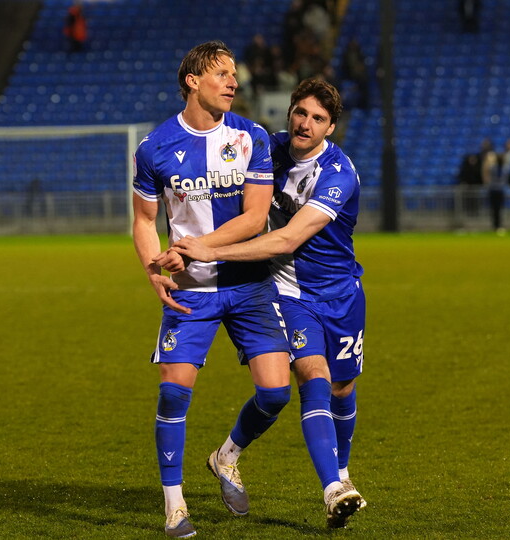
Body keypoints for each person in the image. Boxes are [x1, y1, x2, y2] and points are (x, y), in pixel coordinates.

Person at [168, 76, 367, 529]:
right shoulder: (263, 149)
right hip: (288, 292)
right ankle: (334, 486)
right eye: (301, 112)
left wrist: (211, 249)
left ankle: (230, 456)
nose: (306, 124)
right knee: (311, 376)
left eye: (318, 119)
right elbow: (212, 179)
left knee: (342, 388)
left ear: (330, 128)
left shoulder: (338, 174)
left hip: (341, 294)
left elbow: (291, 235)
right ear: (290, 111)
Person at [132, 40, 293, 538]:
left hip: (248, 284)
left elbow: (255, 216)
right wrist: (152, 269)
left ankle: (226, 456)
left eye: (234, 74)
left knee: (276, 393)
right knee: (173, 395)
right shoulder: (154, 147)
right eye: (222, 73)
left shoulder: (252, 137)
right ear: (192, 81)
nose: (233, 82)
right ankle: (174, 504)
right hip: (190, 292)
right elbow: (142, 220)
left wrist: (198, 245)